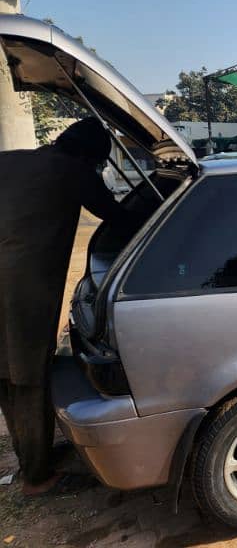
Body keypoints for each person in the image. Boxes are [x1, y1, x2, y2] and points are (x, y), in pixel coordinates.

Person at [0, 117, 128, 495]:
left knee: (8, 377)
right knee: (27, 376)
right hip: (18, 292)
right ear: (89, 155)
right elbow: (118, 217)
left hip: (11, 285)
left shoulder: (14, 159)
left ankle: (32, 454)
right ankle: (37, 478)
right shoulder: (73, 170)